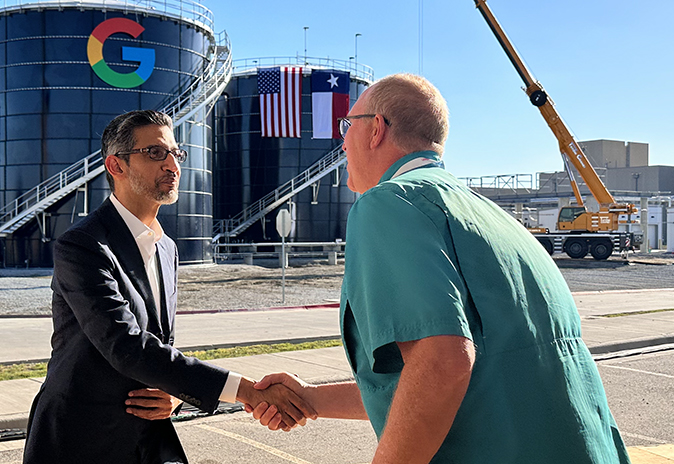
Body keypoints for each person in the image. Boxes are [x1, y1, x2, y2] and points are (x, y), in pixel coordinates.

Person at [249, 73, 630, 463]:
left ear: (376, 129)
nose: (342, 141)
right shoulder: (489, 216)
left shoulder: (390, 202)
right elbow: (449, 378)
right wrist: (311, 399)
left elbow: (442, 363)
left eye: (348, 126)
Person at [23, 110, 314, 464]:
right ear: (116, 166)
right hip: (80, 440)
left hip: (149, 438)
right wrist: (246, 391)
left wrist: (175, 392)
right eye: (156, 153)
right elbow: (126, 345)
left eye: (176, 153)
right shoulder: (82, 246)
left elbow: (160, 344)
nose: (173, 165)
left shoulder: (167, 248)